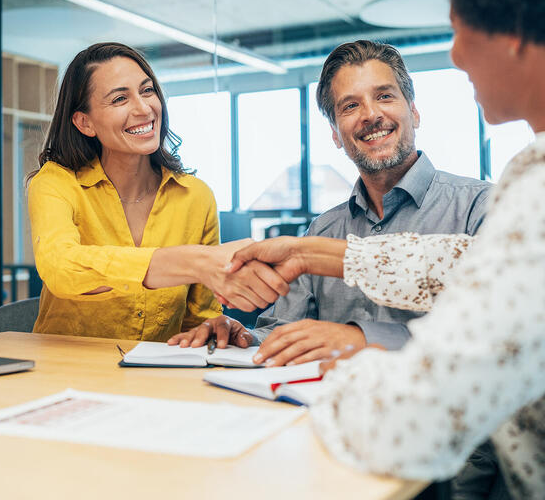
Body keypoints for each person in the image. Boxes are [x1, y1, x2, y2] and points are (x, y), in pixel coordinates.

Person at [229, 0, 545, 496]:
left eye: (459, 27)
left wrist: (346, 358)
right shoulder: (531, 173)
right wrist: (309, 259)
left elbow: (415, 421)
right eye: (350, 106)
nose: (454, 54)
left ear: (513, 24)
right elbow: (462, 265)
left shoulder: (516, 194)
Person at [168, 40, 490, 368]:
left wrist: (363, 340)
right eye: (350, 106)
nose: (371, 114)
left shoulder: (482, 207)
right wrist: (242, 337)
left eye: (384, 96)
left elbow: (496, 327)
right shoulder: (323, 230)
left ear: (415, 112)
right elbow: (283, 331)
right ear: (335, 134)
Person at [27, 42, 284, 340]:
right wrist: (195, 262)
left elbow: (199, 318)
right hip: (65, 373)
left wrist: (214, 328)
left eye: (147, 91)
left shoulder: (195, 197)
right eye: (120, 98)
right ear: (85, 123)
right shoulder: (56, 182)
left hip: (156, 377)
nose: (143, 108)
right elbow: (61, 267)